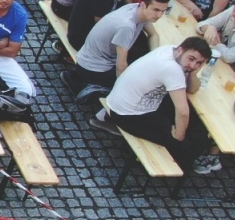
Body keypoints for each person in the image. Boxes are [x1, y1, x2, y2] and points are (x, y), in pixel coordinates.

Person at [93, 38, 220, 173]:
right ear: (180, 51)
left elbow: (192, 89)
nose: (193, 65)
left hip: (122, 100)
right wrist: (178, 136)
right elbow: (182, 112)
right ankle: (179, 168)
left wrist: (193, 73)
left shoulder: (169, 49)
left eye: (199, 63)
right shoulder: (173, 69)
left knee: (191, 118)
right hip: (128, 115)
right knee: (187, 145)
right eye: (191, 59)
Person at [70, 0, 170, 100]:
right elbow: (121, 65)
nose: (159, 15)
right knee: (142, 82)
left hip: (92, 58)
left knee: (143, 58)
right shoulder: (126, 26)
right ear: (143, 4)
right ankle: (100, 89)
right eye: (156, 10)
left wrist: (153, 58)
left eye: (163, 11)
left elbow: (153, 35)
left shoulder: (137, 10)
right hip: (93, 69)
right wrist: (122, 89)